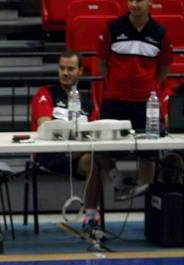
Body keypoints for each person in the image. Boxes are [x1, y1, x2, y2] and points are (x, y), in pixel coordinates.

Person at [30, 50, 114, 232]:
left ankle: (90, 217)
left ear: (80, 71)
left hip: (77, 157)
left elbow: (95, 131)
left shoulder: (87, 100)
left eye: (70, 69)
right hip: (49, 155)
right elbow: (45, 125)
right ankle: (117, 178)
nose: (65, 73)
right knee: (97, 154)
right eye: (62, 68)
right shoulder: (46, 93)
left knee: (93, 159)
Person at [96, 0, 173, 198]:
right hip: (115, 101)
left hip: (146, 105)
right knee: (100, 149)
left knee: (149, 154)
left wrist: (147, 88)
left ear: (150, 2)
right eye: (131, 0)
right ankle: (118, 182)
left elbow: (164, 69)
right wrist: (116, 83)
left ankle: (147, 203)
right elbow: (102, 63)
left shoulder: (160, 33)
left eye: (139, 0)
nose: (134, 4)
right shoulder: (112, 28)